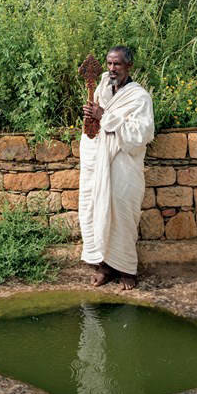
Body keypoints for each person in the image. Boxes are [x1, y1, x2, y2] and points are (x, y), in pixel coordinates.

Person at [79, 46, 155, 290]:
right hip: (98, 163)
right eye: (109, 63)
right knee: (96, 210)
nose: (112, 69)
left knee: (122, 216)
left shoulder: (139, 97)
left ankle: (126, 270)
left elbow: (140, 135)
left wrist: (104, 116)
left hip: (123, 165)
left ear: (128, 66)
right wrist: (91, 116)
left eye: (117, 64)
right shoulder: (101, 86)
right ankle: (104, 267)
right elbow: (95, 126)